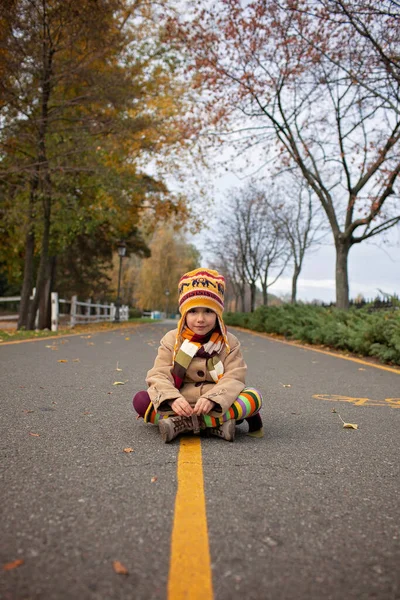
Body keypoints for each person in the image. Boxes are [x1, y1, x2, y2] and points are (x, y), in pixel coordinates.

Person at [132, 267, 263, 443]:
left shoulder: (228, 342)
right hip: (180, 402)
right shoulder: (172, 339)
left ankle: (183, 425)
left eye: (208, 311)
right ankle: (215, 426)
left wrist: (213, 399)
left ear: (218, 315)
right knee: (141, 400)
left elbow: (234, 377)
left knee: (253, 396)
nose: (200, 319)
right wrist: (172, 399)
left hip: (215, 404)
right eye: (193, 311)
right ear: (184, 314)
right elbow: (159, 374)